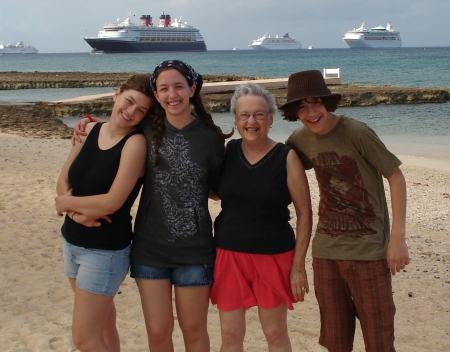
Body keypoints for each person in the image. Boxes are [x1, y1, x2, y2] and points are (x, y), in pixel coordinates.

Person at [72, 60, 231, 352]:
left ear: (192, 89)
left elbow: (218, 192)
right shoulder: (143, 129)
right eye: (164, 89)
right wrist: (87, 123)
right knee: (158, 333)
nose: (172, 95)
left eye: (179, 87)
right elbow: (114, 129)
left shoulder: (210, 137)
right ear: (156, 95)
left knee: (194, 332)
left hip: (195, 251)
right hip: (149, 250)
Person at [279, 70, 410, 352]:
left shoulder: (356, 132)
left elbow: (395, 177)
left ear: (328, 102)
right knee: (336, 341)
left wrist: (397, 238)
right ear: (294, 112)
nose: (311, 112)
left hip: (370, 252)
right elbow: (279, 175)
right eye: (302, 106)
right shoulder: (299, 140)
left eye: (316, 103)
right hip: (326, 252)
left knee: (379, 339)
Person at [210, 83, 313, 352]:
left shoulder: (286, 157)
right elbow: (211, 190)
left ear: (270, 118)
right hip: (228, 254)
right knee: (231, 335)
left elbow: (304, 213)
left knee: (275, 333)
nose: (251, 121)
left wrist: (299, 266)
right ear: (235, 119)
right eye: (244, 115)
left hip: (274, 256)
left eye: (259, 114)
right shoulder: (227, 152)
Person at [55, 74, 152, 351]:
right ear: (116, 94)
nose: (131, 112)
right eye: (129, 101)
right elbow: (64, 182)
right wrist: (75, 214)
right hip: (71, 241)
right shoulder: (89, 131)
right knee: (104, 324)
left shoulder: (135, 144)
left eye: (141, 110)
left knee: (84, 339)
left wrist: (65, 204)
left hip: (104, 252)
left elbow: (112, 202)